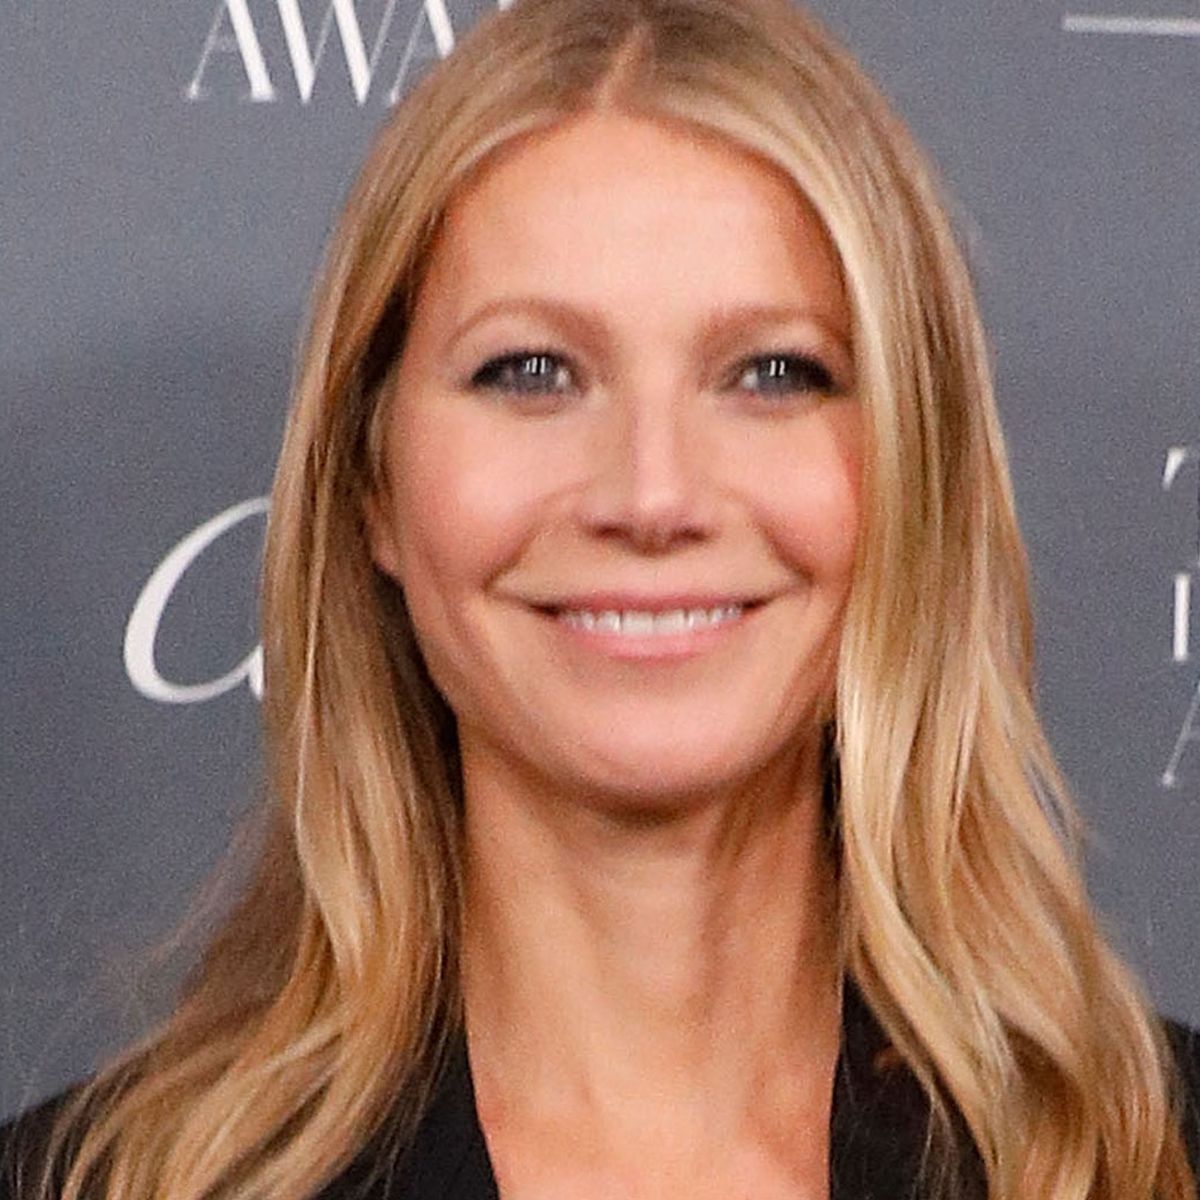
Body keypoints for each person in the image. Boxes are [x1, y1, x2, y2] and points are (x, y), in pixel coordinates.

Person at [4, 0, 1199, 1197]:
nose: (652, 494)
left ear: (914, 471)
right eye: (532, 372)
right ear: (372, 479)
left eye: (772, 375)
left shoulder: (1151, 1155)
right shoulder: (98, 1182)